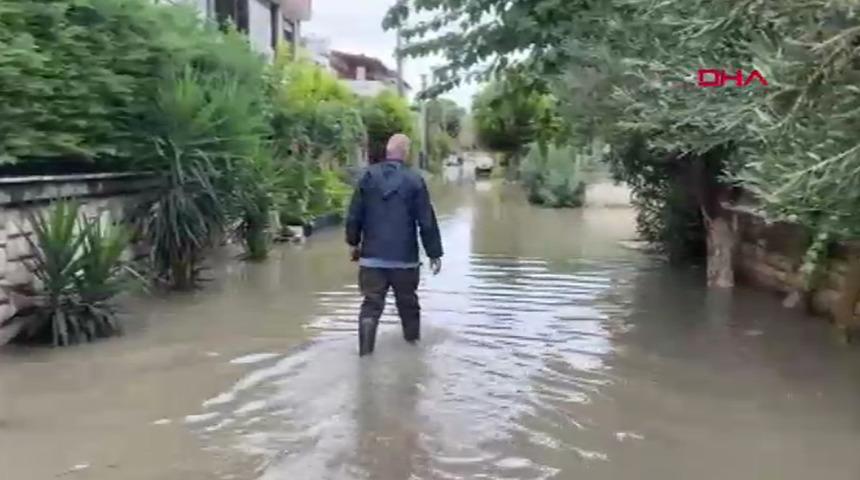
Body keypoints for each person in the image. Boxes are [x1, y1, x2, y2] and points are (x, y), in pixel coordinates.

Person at [345, 133, 443, 356]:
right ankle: (413, 351)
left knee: (370, 306)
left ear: (387, 152)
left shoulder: (367, 177)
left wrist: (353, 243)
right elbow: (426, 220)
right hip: (405, 261)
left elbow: (354, 215)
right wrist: (434, 253)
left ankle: (365, 357)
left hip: (372, 259)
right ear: (405, 153)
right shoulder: (415, 180)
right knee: (408, 307)